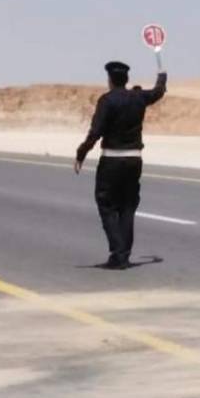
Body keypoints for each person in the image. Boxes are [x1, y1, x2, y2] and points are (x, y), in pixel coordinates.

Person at [75, 60, 167, 269]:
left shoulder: (107, 101)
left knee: (106, 205)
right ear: (126, 79)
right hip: (134, 160)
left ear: (110, 80)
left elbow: (95, 132)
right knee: (127, 206)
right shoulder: (138, 98)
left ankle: (118, 253)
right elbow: (158, 91)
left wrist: (81, 154)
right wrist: (162, 74)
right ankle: (122, 255)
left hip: (111, 161)